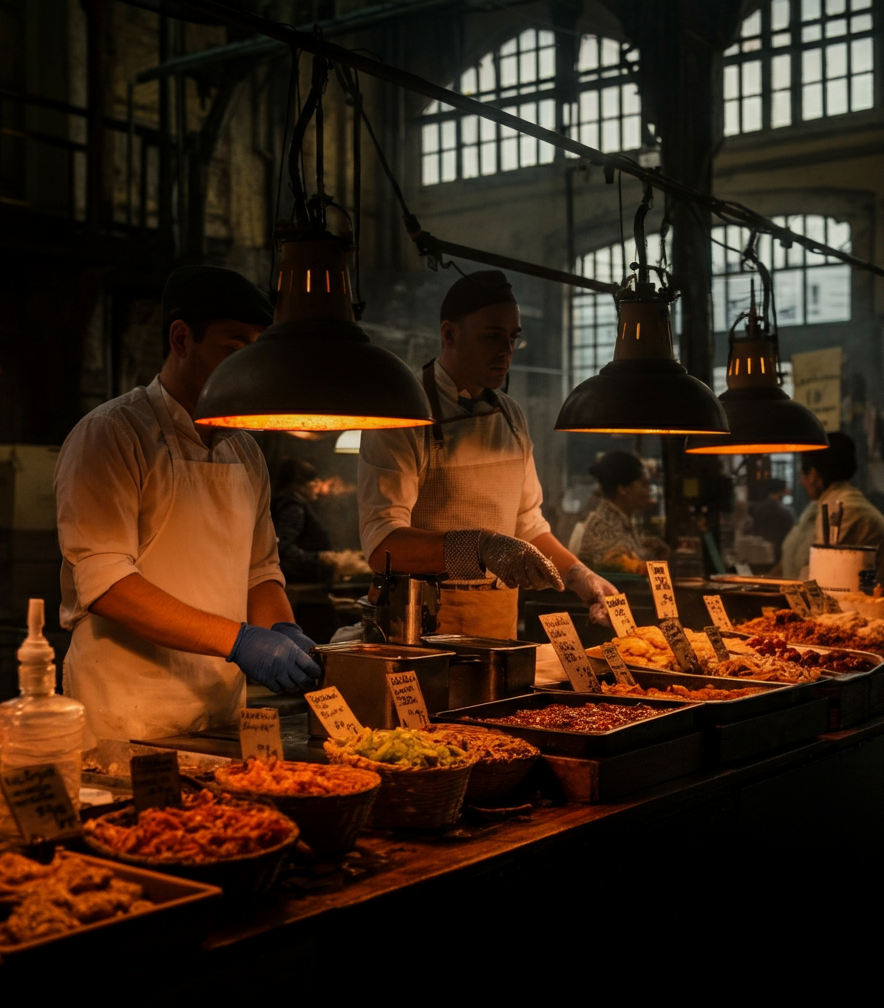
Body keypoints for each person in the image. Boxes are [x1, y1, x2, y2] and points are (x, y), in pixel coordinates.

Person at [54, 266, 320, 745]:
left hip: (220, 708)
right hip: (125, 712)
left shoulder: (245, 449)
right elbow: (106, 583)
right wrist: (240, 641)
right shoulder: (112, 433)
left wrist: (282, 628)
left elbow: (260, 571)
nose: (248, 369)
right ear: (181, 339)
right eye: (234, 349)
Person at [357, 270, 616, 640]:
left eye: (513, 338)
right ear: (449, 334)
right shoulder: (403, 412)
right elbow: (384, 544)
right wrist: (480, 546)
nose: (506, 350)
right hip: (419, 624)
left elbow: (527, 525)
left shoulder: (511, 416)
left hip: (498, 623)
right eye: (492, 336)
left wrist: (578, 575)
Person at [781, 432, 884, 579]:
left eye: (802, 475)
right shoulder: (828, 504)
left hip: (862, 599)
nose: (801, 482)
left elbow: (824, 573)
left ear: (813, 475)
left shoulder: (842, 509)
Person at [578, 451, 668, 574]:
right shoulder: (602, 525)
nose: (649, 491)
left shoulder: (622, 521)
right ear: (623, 489)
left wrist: (649, 551)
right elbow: (612, 564)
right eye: (644, 484)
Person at [271, 459, 334, 584]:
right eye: (312, 481)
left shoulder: (286, 504)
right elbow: (281, 546)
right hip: (298, 582)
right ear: (297, 484)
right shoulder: (292, 507)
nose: (317, 485)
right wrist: (318, 558)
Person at [749, 478, 794, 565]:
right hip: (779, 554)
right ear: (781, 492)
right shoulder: (786, 513)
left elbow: (753, 530)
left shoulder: (757, 509)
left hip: (759, 553)